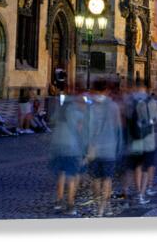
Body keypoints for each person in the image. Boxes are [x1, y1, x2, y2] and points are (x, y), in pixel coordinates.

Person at [86, 80, 124, 217]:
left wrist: (88, 147)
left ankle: (98, 206)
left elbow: (88, 129)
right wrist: (119, 147)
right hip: (109, 148)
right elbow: (119, 128)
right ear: (106, 90)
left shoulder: (91, 107)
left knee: (96, 179)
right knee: (107, 179)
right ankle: (104, 207)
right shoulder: (114, 106)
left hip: (94, 148)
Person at [50, 94, 87, 215]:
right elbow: (81, 130)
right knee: (72, 176)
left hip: (58, 147)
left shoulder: (59, 112)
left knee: (61, 175)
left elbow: (52, 122)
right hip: (72, 148)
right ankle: (71, 205)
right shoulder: (77, 113)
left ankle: (59, 201)